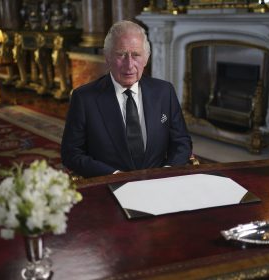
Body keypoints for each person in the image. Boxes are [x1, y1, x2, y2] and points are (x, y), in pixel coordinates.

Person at [61, 20, 192, 178]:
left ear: (146, 58)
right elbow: (71, 153)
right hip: (109, 185)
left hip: (159, 183)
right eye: (121, 55)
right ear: (107, 57)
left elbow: (182, 141)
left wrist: (167, 171)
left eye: (136, 55)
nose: (129, 65)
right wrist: (114, 175)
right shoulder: (84, 98)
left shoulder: (165, 91)